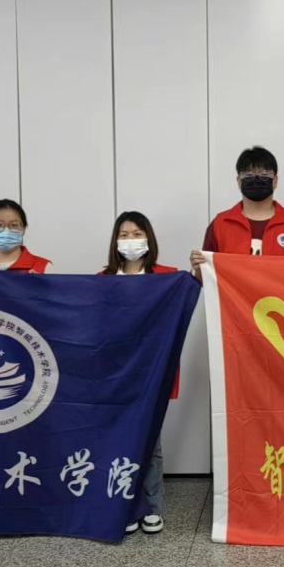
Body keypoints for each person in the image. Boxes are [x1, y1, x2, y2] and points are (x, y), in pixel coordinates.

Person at [100, 211, 178, 535]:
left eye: (137, 233)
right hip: (117, 373)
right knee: (118, 441)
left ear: (148, 238)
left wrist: (200, 271)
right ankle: (126, 505)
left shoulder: (167, 276)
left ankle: (153, 507)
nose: (130, 240)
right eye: (124, 234)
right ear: (115, 240)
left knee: (151, 442)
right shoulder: (103, 278)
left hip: (152, 371)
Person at [189, 146, 284, 278]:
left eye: (264, 175)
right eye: (248, 175)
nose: (256, 180)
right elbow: (206, 279)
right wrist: (198, 268)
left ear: (275, 181)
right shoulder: (220, 224)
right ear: (239, 181)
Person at [0, 200, 51, 273]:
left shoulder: (44, 267)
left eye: (14, 225)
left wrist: (39, 285)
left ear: (23, 229)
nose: (6, 231)